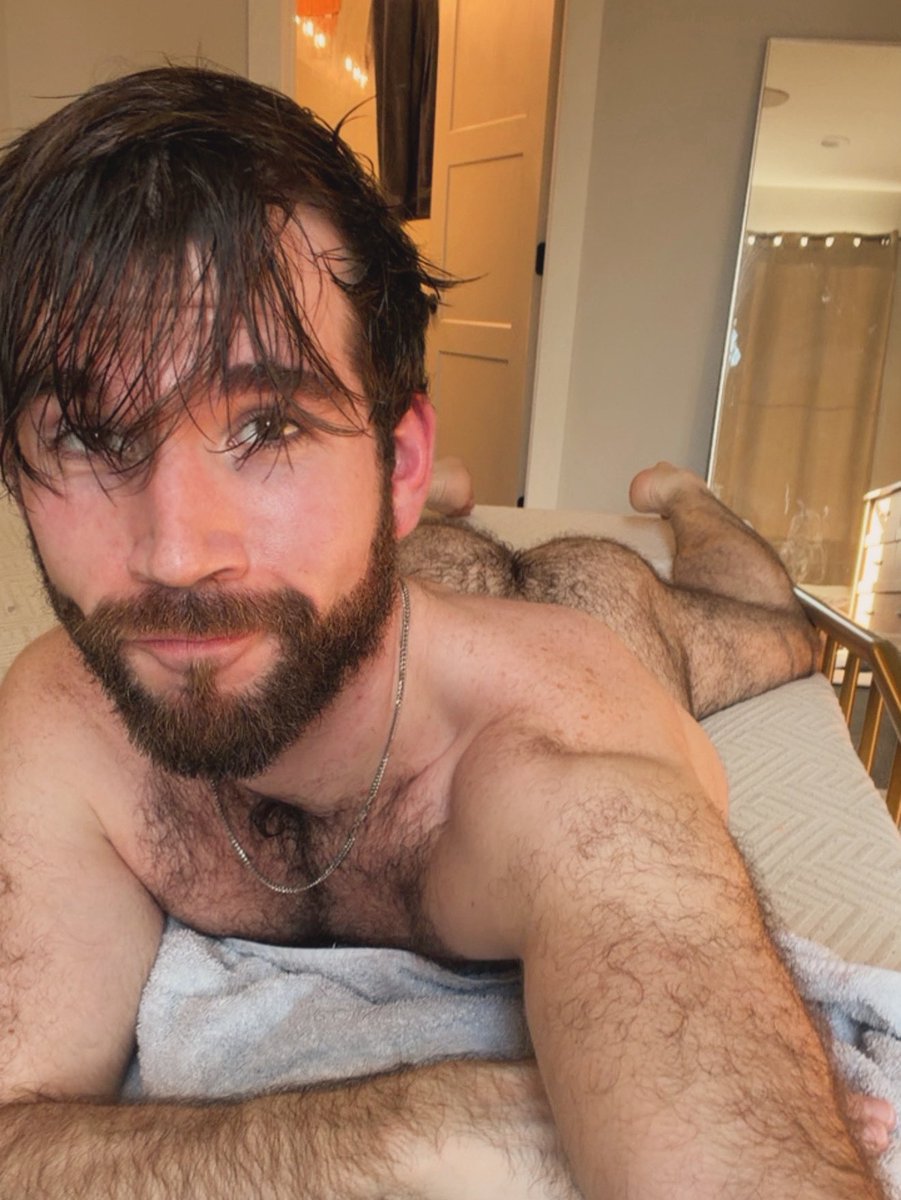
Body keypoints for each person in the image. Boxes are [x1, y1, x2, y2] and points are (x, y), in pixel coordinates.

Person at [0, 65, 890, 1199]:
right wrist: (410, 1127)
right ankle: (437, 499)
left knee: (763, 625)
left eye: (267, 423)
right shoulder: (63, 711)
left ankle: (687, 499)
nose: (175, 555)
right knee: (433, 560)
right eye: (90, 435)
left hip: (600, 622)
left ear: (395, 464)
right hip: (411, 578)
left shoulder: (569, 769)